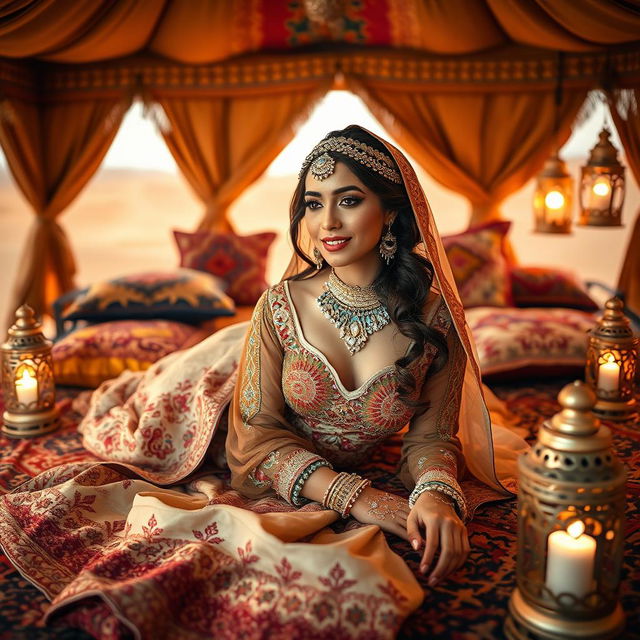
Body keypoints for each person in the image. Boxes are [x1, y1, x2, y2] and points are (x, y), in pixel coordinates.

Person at [0, 125, 526, 639]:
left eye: (348, 199)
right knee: (151, 408)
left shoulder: (435, 319)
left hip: (287, 403)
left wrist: (436, 493)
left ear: (390, 210)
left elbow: (432, 435)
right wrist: (361, 498)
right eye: (314, 203)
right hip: (220, 385)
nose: (327, 222)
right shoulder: (279, 307)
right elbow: (253, 439)